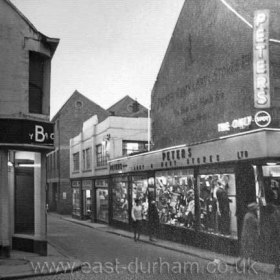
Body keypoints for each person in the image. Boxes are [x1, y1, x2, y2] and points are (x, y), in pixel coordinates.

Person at [237, 202, 259, 270]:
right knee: (248, 251)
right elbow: (256, 224)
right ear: (253, 209)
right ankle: (243, 265)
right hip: (249, 236)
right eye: (256, 208)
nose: (257, 209)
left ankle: (242, 264)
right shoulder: (251, 216)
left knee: (245, 251)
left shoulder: (247, 215)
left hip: (246, 235)